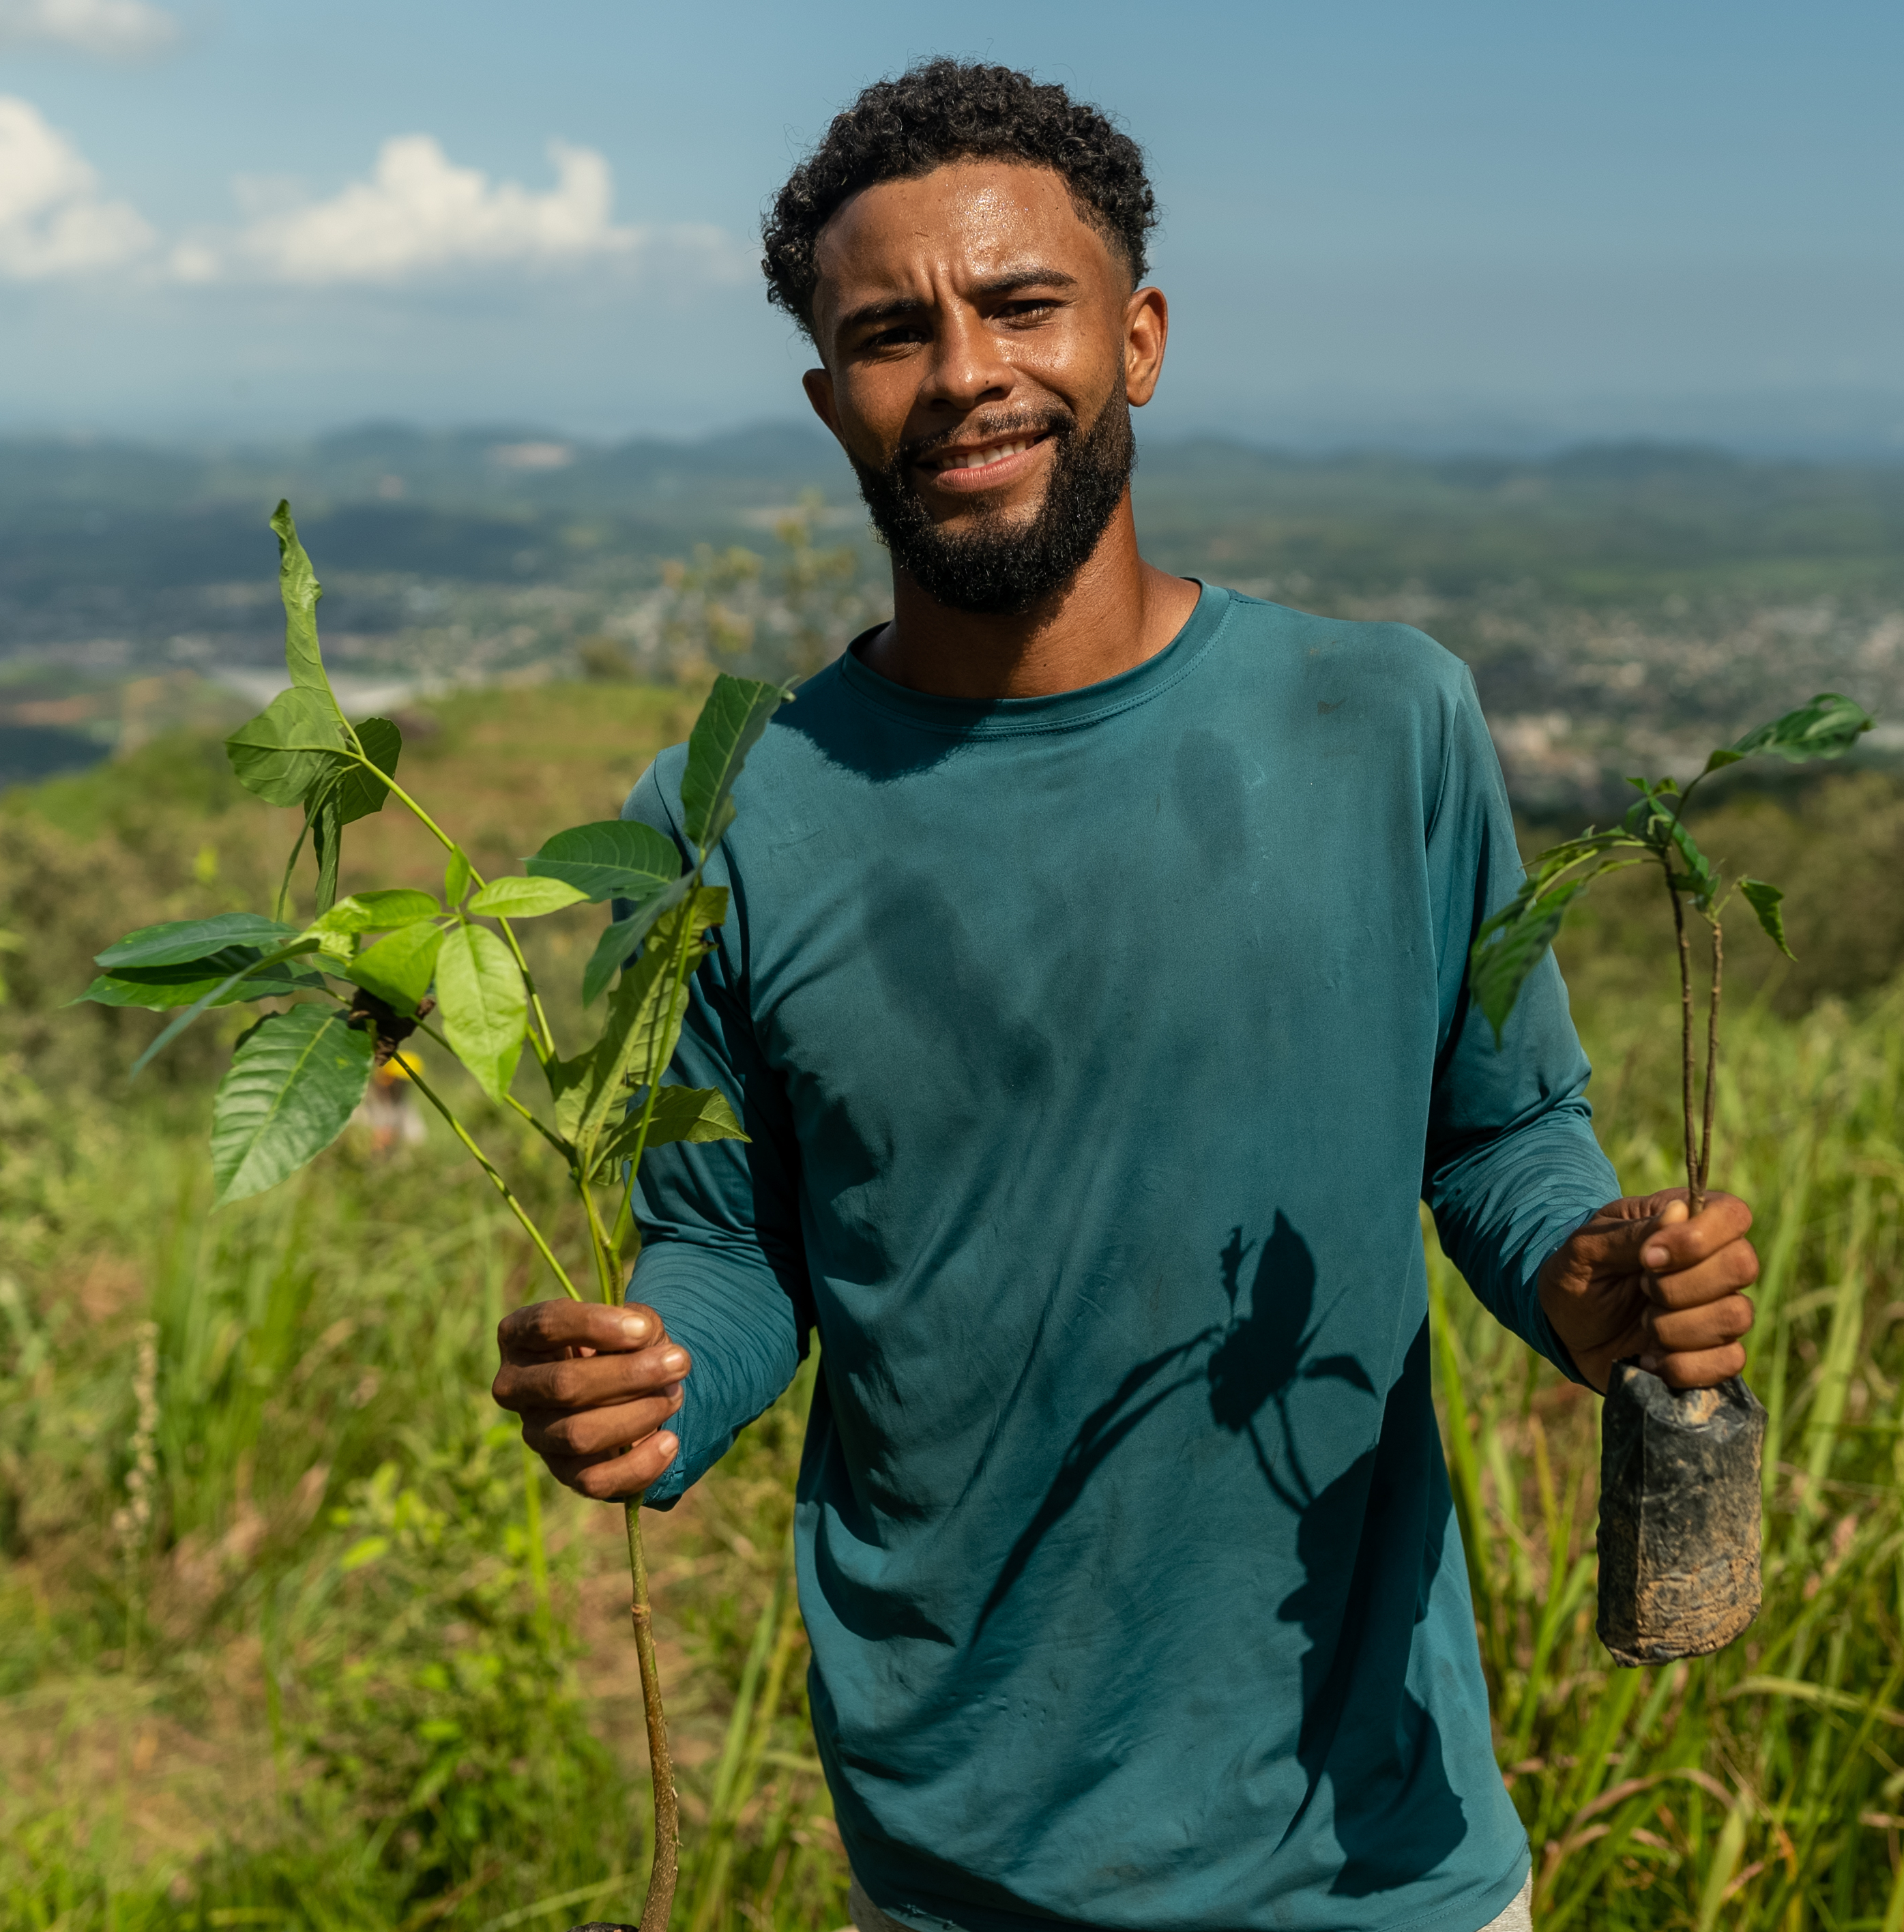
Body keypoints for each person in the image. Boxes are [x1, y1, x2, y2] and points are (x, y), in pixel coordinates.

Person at [492, 59, 1760, 1932]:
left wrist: (1586, 1280)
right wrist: (657, 1388)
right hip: (960, 1853)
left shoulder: (1383, 719)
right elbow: (730, 1243)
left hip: (1376, 1849)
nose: (967, 371)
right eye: (888, 333)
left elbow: (1499, 1128)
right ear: (832, 399)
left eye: (1023, 304)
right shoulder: (720, 813)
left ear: (1138, 338)